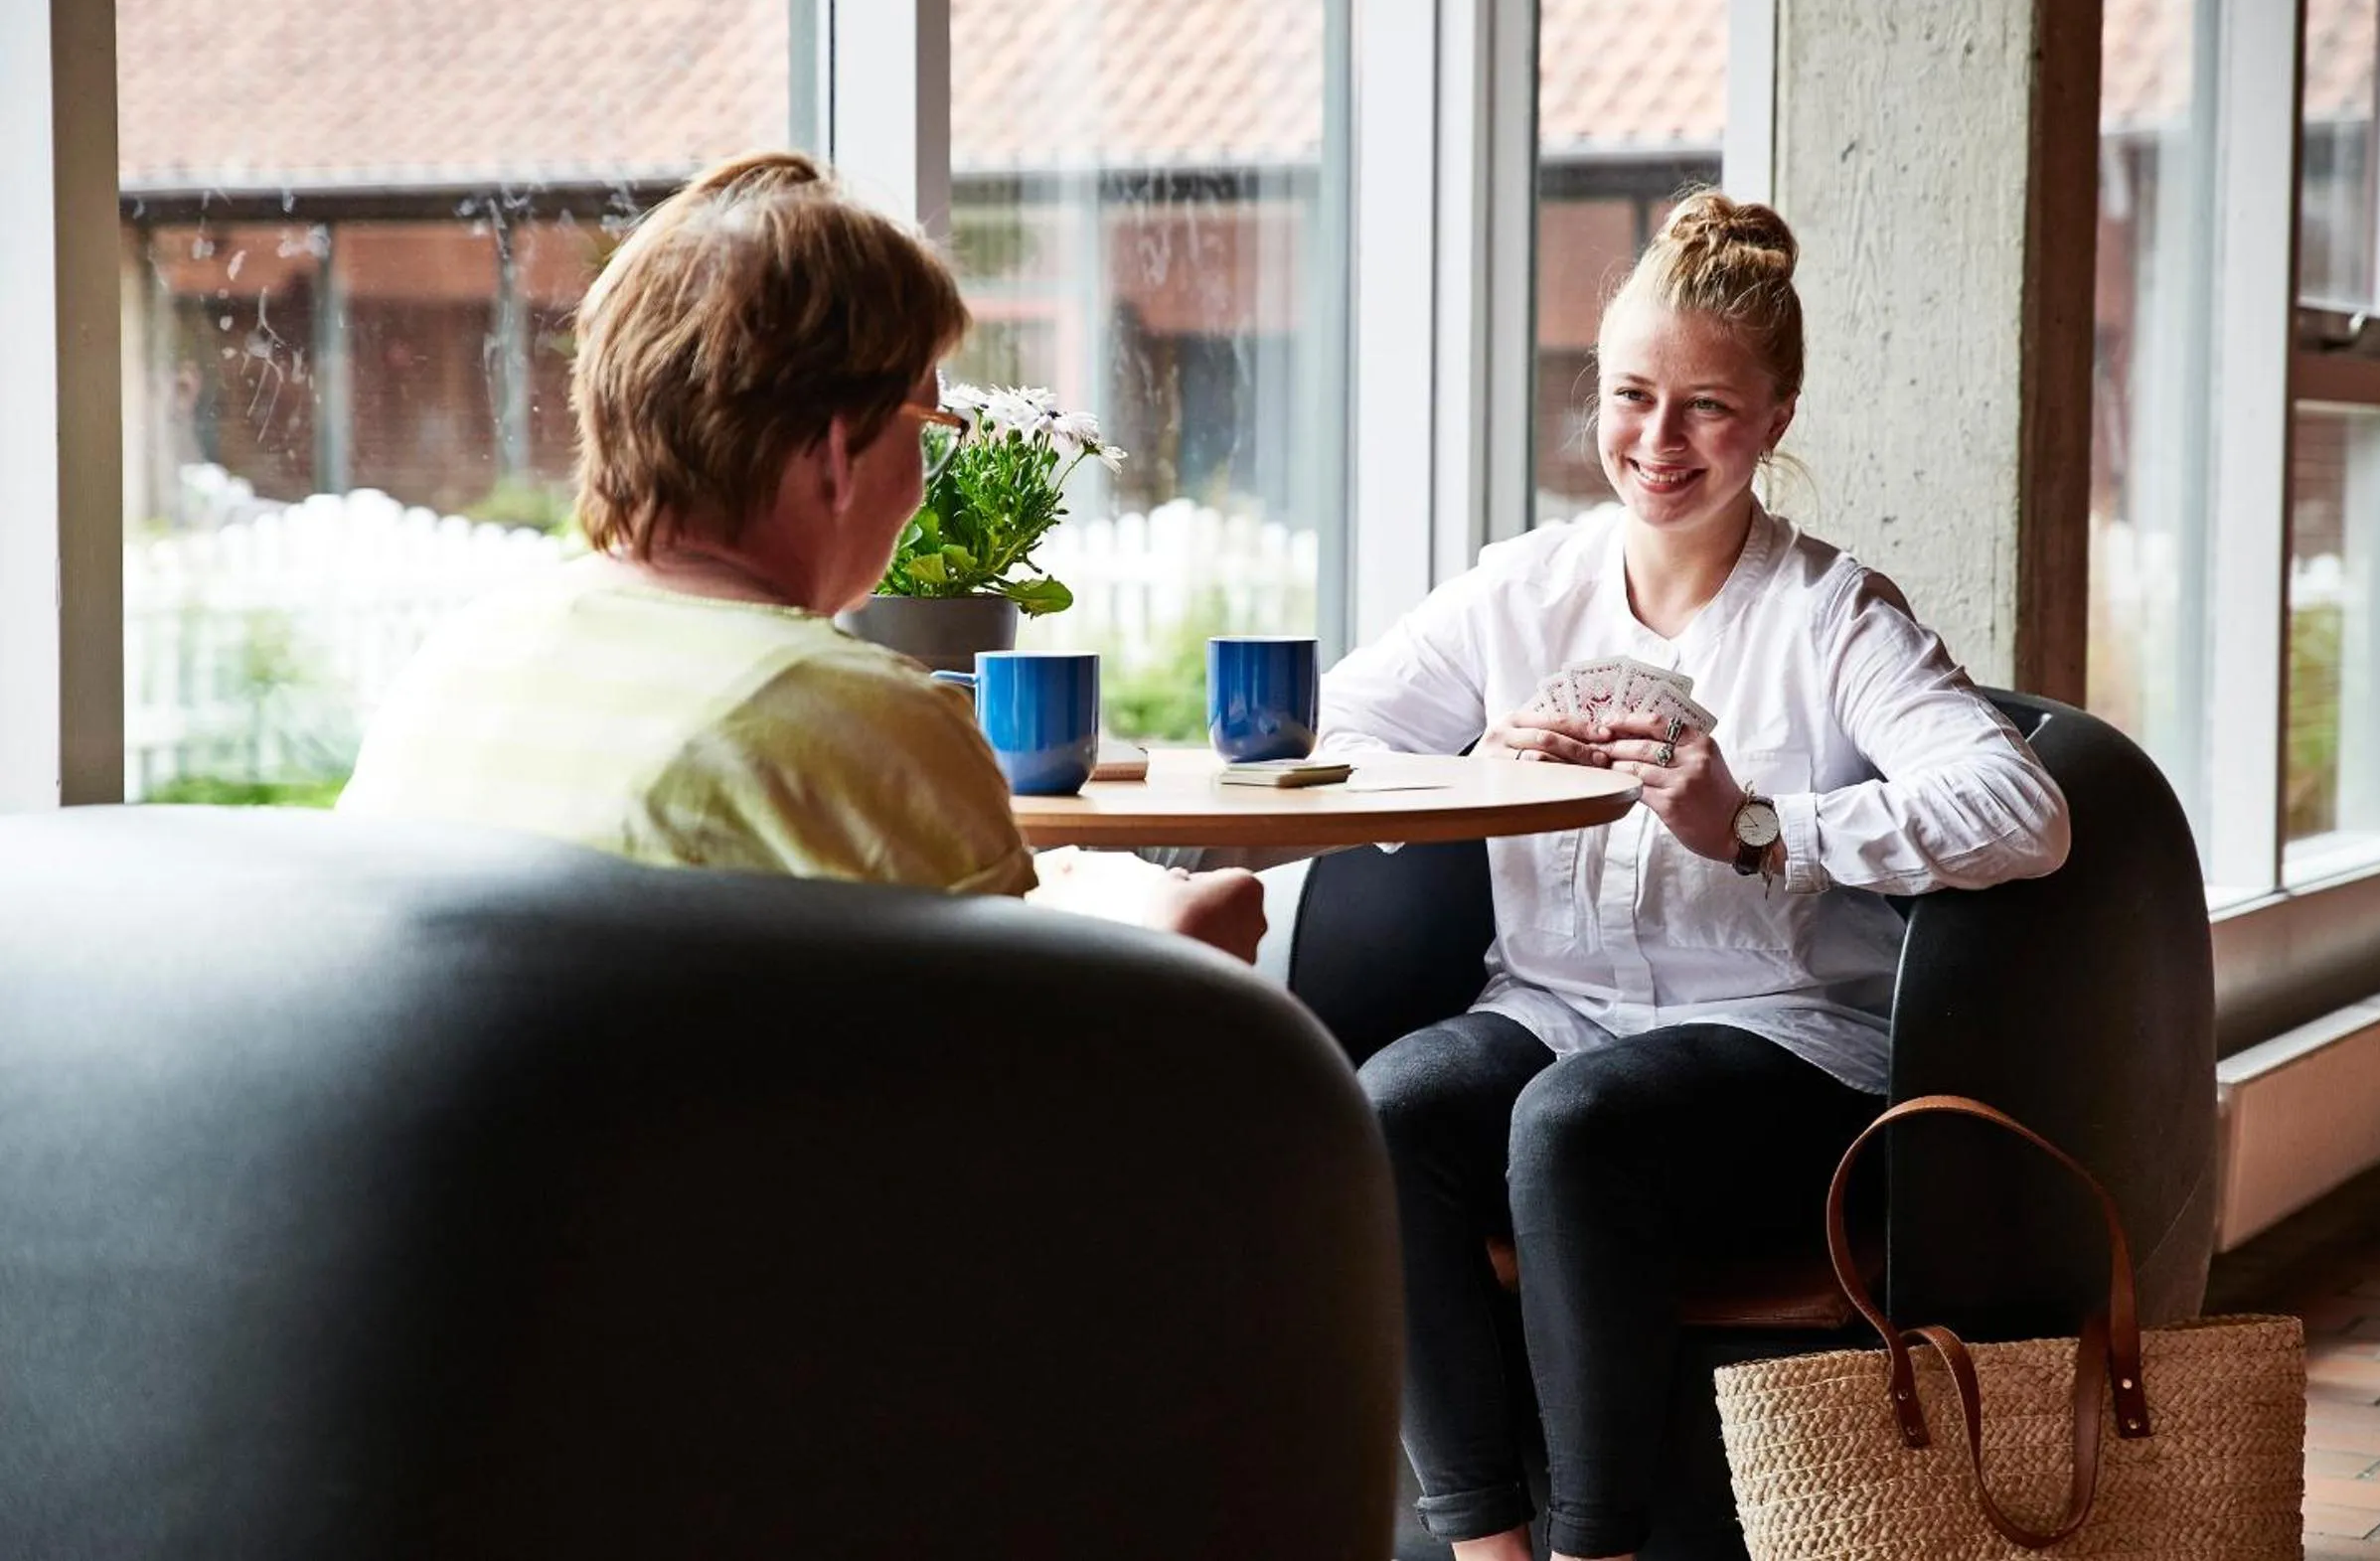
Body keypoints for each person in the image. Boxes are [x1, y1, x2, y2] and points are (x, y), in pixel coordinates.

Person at [1317, 191, 2070, 1561]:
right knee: (1387, 1108)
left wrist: (1767, 828)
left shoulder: (1836, 615)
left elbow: (2024, 812)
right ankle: (1486, 1544)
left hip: (1781, 1046)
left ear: (1776, 422)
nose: (1657, 443)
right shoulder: (1516, 593)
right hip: (1552, 1006)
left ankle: (1598, 1547)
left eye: (1707, 408)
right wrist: (1483, 762)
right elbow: (1339, 736)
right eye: (1630, 397)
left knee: (1571, 1127)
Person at [339, 150, 1263, 964]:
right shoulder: (860, 718)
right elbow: (1012, 1087)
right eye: (928, 423)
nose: (926, 473)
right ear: (834, 448)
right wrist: (1177, 954)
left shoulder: (461, 659)